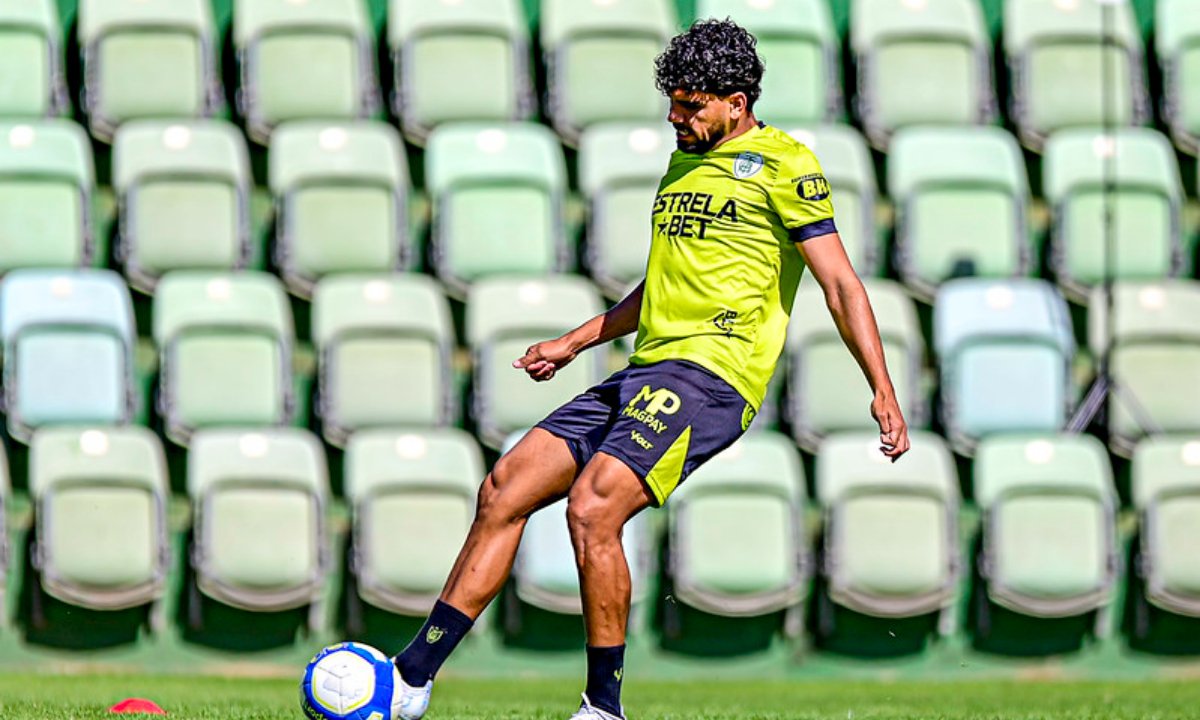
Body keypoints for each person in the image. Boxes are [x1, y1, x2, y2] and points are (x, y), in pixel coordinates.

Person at [388, 18, 910, 720]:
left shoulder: (787, 165)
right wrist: (574, 341)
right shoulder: (684, 162)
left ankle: (602, 707)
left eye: (691, 106)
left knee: (592, 507)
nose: (676, 118)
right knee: (504, 487)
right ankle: (411, 679)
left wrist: (880, 387)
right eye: (673, 104)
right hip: (648, 368)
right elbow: (661, 284)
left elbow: (842, 285)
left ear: (737, 100)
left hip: (713, 375)